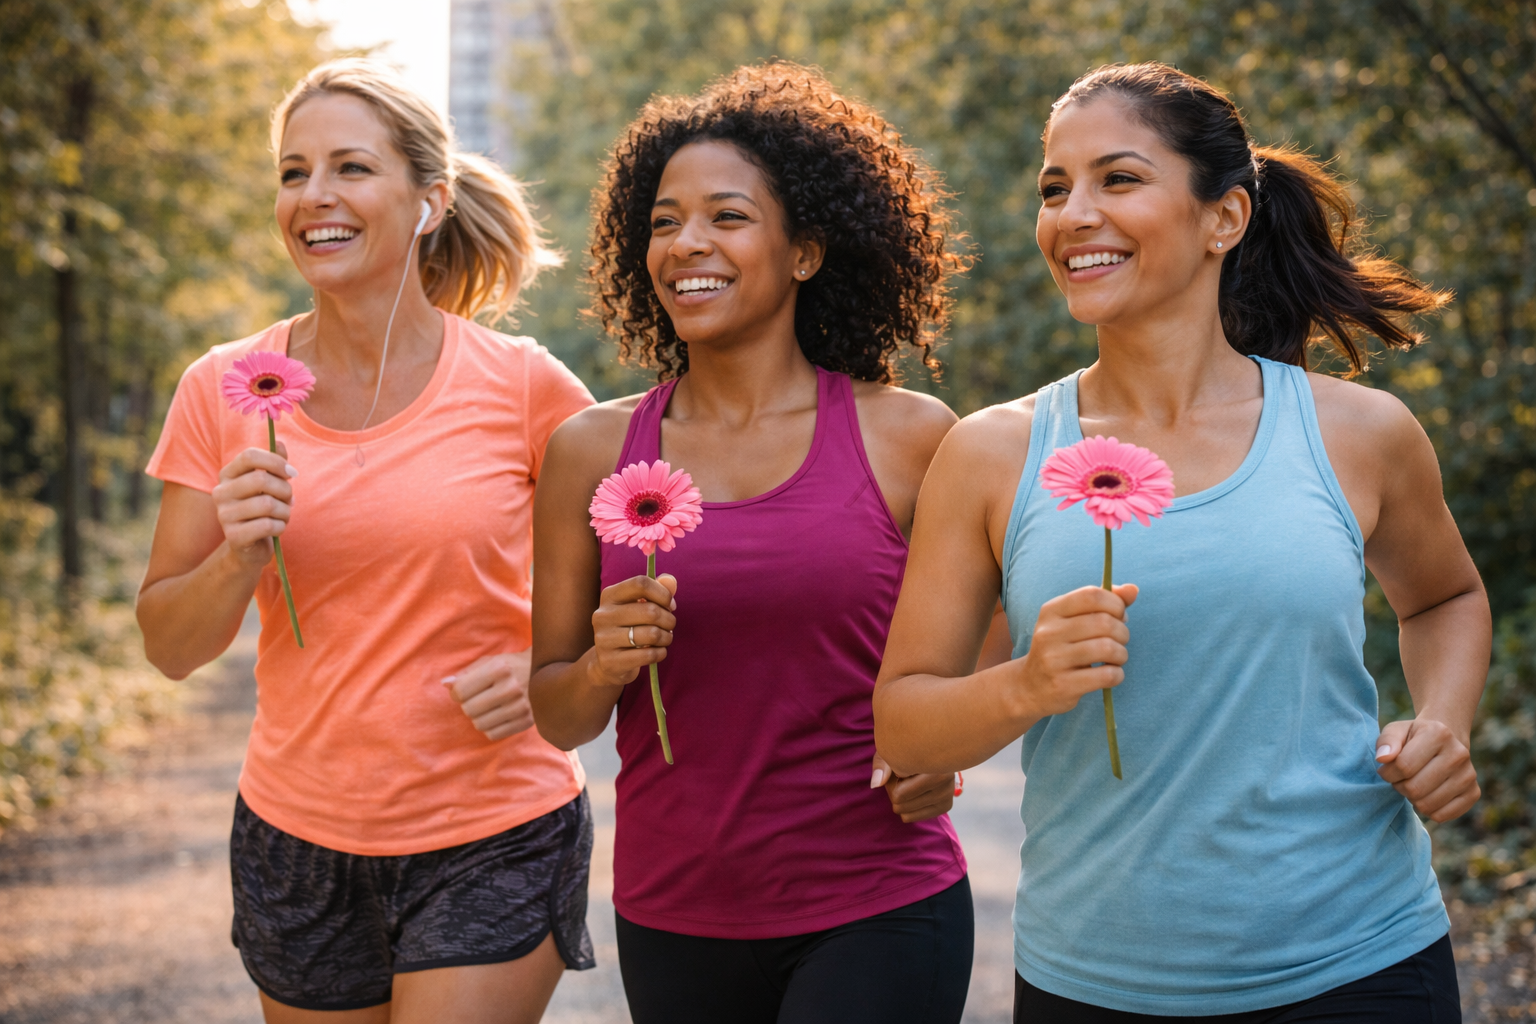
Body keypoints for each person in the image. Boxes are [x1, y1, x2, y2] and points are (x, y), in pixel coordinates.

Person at [873, 62, 1488, 1022]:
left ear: (1224, 218)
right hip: (1092, 982)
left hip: (1360, 962)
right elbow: (904, 722)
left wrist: (1443, 721)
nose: (1073, 214)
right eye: (1053, 188)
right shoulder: (991, 453)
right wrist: (1026, 685)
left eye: (1118, 179)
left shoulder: (1360, 432)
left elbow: (1445, 598)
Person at [137, 59, 596, 1024]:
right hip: (297, 836)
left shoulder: (523, 385)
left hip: (496, 826)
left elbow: (657, 552)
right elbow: (170, 645)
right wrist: (236, 556)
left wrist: (549, 663)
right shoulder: (223, 387)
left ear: (430, 201)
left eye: (350, 167)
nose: (314, 195)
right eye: (293, 172)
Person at [529, 63, 974, 1024]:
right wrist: (604, 663)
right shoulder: (588, 451)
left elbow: (975, 647)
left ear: (805, 251)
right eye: (664, 222)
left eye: (727, 217)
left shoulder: (909, 436)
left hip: (880, 906)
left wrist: (941, 748)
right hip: (672, 916)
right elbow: (558, 715)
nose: (686, 243)